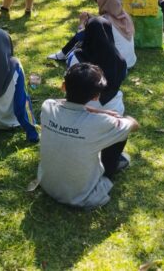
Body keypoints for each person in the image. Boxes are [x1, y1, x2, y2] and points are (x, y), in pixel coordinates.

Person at [37, 62, 139, 209]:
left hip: (46, 184)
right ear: (97, 96)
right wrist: (107, 114)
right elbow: (134, 125)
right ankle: (110, 169)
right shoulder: (102, 123)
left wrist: (99, 112)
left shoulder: (48, 107)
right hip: (81, 197)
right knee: (121, 134)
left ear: (63, 86)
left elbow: (58, 101)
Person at [49, 0, 136, 67]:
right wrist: (93, 19)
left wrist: (82, 22)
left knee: (81, 44)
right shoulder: (125, 16)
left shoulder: (105, 21)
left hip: (114, 64)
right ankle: (63, 54)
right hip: (130, 61)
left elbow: (81, 35)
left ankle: (62, 54)